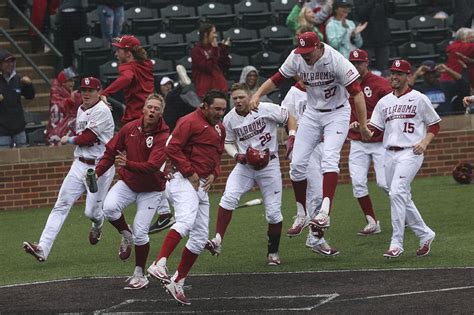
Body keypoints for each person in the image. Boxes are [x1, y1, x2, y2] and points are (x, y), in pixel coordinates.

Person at [250, 31, 371, 235]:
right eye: (302, 50)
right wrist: (257, 94)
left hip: (338, 112)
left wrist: (363, 125)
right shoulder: (297, 57)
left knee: (329, 160)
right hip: (313, 112)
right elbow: (277, 79)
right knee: (296, 165)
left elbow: (357, 94)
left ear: (318, 47)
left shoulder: (336, 60)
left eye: (308, 51)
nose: (304, 55)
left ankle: (324, 212)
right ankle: (301, 213)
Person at [147, 90, 227, 306]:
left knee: (200, 237)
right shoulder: (189, 121)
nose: (220, 113)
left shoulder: (220, 128)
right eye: (217, 109)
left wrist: (214, 174)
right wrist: (189, 171)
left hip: (201, 184)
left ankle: (177, 281)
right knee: (184, 221)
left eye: (223, 109)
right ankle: (159, 263)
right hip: (184, 180)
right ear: (205, 106)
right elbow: (171, 147)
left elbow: (217, 156)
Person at [22, 77, 115, 262]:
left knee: (91, 213)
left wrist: (68, 139)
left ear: (99, 92)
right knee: (61, 204)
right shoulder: (81, 109)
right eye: (83, 90)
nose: (86, 94)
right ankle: (42, 248)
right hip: (80, 163)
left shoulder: (102, 111)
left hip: (100, 167)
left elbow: (87, 138)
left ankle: (98, 224)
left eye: (90, 90)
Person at [205, 83, 295, 265]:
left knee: (273, 214)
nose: (237, 101)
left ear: (250, 96)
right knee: (228, 198)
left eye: (241, 97)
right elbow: (228, 142)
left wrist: (292, 135)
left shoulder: (265, 108)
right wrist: (236, 154)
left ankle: (273, 253)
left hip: (269, 164)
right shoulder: (229, 119)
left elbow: (289, 117)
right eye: (235, 98)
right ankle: (217, 240)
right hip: (245, 165)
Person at [94, 93, 169, 289]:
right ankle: (126, 234)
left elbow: (153, 165)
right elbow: (111, 151)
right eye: (149, 107)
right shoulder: (129, 128)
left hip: (152, 189)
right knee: (109, 208)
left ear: (161, 113)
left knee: (142, 232)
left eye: (157, 108)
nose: (152, 110)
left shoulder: (163, 136)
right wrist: (97, 172)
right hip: (129, 182)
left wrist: (128, 163)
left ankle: (139, 274)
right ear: (143, 109)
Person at [368, 59, 440, 258]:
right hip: (389, 153)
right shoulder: (384, 102)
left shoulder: (419, 98)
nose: (394, 76)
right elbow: (374, 130)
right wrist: (361, 128)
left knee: (397, 192)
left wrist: (424, 143)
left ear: (408, 76)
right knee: (401, 196)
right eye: (392, 73)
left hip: (411, 152)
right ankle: (425, 234)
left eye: (399, 73)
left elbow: (434, 125)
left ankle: (396, 243)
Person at [283, 81, 339, 256]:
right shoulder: (293, 92)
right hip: (306, 145)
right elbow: (288, 117)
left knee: (323, 194)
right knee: (316, 193)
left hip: (325, 142)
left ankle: (315, 237)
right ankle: (314, 235)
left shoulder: (323, 88)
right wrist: (292, 136)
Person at [347, 49, 392, 235]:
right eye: (353, 63)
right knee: (357, 183)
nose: (356, 66)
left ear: (367, 63)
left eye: (359, 63)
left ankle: (406, 214)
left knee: (384, 183)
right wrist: (350, 123)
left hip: (380, 141)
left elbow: (391, 110)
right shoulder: (346, 83)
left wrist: (367, 123)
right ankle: (372, 222)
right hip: (357, 141)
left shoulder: (380, 83)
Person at [101, 35, 154, 125]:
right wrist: (123, 42)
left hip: (135, 117)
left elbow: (126, 78)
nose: (116, 54)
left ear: (129, 53)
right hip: (150, 114)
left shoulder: (128, 67)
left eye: (119, 50)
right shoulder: (146, 64)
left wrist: (105, 93)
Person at [0, 50, 35, 149]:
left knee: (23, 159)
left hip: (19, 128)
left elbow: (30, 96)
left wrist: (29, 85)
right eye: (6, 62)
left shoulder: (18, 79)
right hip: (2, 130)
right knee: (4, 160)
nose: (10, 64)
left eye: (12, 62)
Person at [353, 0, 395, 72]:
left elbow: (392, 11)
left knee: (383, 68)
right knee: (364, 68)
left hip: (383, 37)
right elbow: (361, 13)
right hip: (367, 39)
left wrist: (390, 2)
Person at [191, 23, 230, 99]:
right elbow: (207, 67)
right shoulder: (197, 50)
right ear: (206, 34)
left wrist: (224, 50)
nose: (216, 35)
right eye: (214, 32)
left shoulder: (216, 48)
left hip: (220, 89)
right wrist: (215, 51)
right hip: (205, 92)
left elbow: (225, 66)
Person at [46, 68, 82, 146]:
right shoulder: (56, 93)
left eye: (72, 81)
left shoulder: (73, 93)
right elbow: (58, 107)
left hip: (71, 129)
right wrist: (70, 100)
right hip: (57, 129)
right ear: (63, 82)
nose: (72, 83)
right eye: (69, 81)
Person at [54, 0, 88, 68]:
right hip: (75, 13)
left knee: (68, 45)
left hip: (71, 13)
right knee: (69, 45)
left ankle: (71, 68)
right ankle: (69, 69)